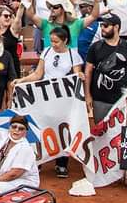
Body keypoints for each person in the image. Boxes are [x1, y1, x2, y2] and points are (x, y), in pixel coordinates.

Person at [13, 25, 84, 178]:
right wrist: (22, 80)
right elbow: (38, 74)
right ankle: (38, 161)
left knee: (62, 129)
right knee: (41, 127)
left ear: (65, 41)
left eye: (56, 41)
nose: (53, 44)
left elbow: (77, 76)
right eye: (51, 41)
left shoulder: (73, 55)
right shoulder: (46, 52)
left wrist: (80, 77)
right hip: (45, 98)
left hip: (63, 100)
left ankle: (62, 163)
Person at [84, 13, 127, 120]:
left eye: (105, 26)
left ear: (116, 27)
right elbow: (88, 72)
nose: (102, 28)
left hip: (122, 99)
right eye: (101, 26)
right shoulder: (95, 47)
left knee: (121, 134)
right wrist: (87, 95)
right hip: (100, 99)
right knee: (101, 132)